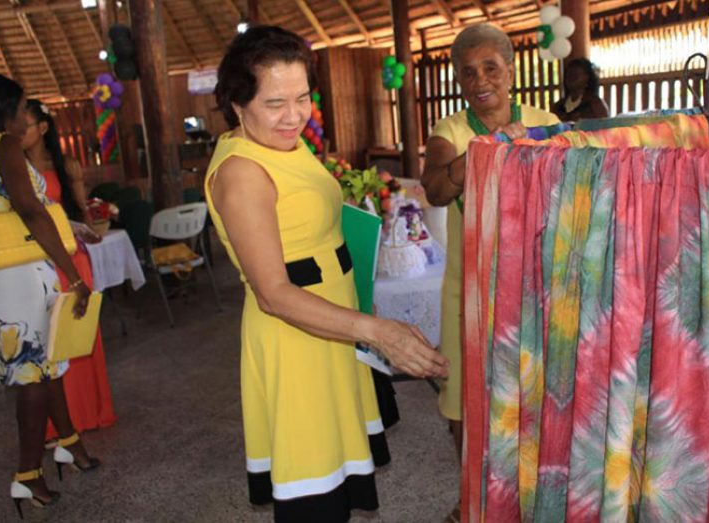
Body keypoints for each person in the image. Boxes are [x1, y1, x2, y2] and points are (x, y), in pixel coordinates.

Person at [205, 26, 448, 523]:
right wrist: (378, 332)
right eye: (275, 103)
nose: (294, 115)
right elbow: (273, 293)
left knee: (338, 470)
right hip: (297, 339)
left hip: (331, 324)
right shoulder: (243, 173)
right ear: (236, 103)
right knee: (314, 486)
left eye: (302, 98)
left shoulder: (284, 144)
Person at [420, 23, 560, 522]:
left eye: (491, 68)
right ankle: (472, 500)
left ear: (511, 70)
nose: (481, 80)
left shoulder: (547, 123)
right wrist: (484, 152)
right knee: (463, 399)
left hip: (534, 288)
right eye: (468, 72)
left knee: (533, 396)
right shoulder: (451, 132)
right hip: (470, 292)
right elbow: (435, 187)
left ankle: (526, 493)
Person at [0, 73, 100, 517]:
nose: (26, 113)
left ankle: (68, 443)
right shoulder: (2, 144)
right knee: (33, 375)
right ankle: (27, 474)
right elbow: (30, 209)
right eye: (23, 105)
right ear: (3, 107)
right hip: (22, 272)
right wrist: (75, 276)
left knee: (45, 363)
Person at [22, 99, 117, 442]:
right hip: (36, 260)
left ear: (43, 128)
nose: (19, 131)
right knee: (48, 340)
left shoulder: (66, 166)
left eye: (26, 124)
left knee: (76, 333)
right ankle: (59, 421)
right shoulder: (13, 170)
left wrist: (82, 227)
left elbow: (82, 215)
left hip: (71, 258)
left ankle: (88, 411)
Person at [552, 57, 609, 122]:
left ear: (587, 78)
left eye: (575, 75)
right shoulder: (557, 107)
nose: (571, 78)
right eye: (569, 75)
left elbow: (605, 129)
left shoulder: (596, 104)